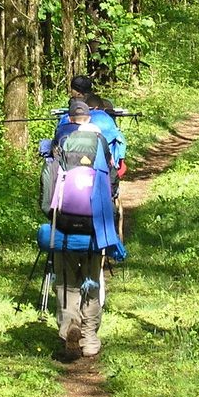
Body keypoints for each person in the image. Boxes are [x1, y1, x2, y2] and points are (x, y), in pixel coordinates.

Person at [47, 99, 119, 359]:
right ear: (89, 118)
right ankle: (89, 338)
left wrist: (51, 215)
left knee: (66, 282)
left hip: (65, 223)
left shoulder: (61, 138)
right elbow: (111, 180)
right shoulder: (100, 141)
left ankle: (69, 328)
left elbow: (49, 182)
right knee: (91, 281)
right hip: (93, 226)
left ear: (69, 117)